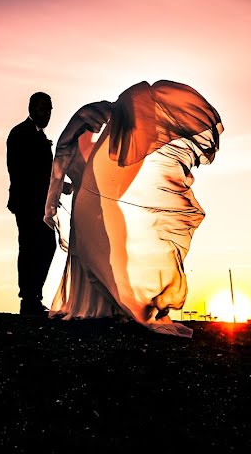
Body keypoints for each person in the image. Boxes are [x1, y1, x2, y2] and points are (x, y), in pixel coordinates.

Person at [43, 80, 224, 337]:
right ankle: (102, 307)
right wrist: (55, 201)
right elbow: (64, 176)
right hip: (93, 211)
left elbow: (70, 173)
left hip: (103, 211)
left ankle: (115, 306)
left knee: (111, 255)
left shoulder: (100, 151)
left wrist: (53, 203)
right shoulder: (86, 152)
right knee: (94, 255)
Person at [6, 92, 58, 315]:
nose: (46, 114)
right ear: (31, 109)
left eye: (48, 109)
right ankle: (29, 299)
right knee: (30, 248)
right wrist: (50, 185)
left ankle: (33, 297)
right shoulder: (20, 134)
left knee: (44, 246)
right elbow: (20, 171)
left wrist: (59, 186)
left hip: (40, 202)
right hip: (27, 202)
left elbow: (44, 172)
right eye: (42, 109)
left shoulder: (40, 136)